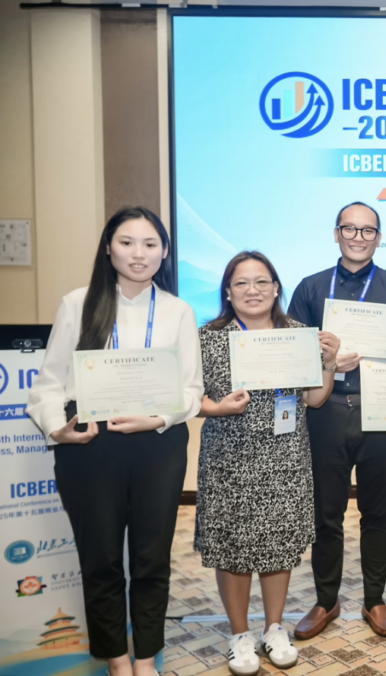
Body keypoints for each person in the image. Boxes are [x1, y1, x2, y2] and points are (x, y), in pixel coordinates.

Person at [27, 206, 203, 676]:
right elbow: (48, 385)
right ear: (109, 248)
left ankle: (145, 658)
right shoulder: (77, 303)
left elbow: (191, 390)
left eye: (150, 244)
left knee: (151, 559)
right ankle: (117, 659)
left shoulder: (178, 310)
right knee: (101, 559)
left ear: (164, 252)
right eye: (127, 242)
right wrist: (57, 428)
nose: (138, 253)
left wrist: (157, 418)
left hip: (157, 445)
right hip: (90, 446)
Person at [195, 251, 340, 675]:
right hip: (229, 458)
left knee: (279, 542)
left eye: (262, 281)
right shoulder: (208, 338)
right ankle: (240, 634)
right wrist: (218, 407)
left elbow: (314, 399)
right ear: (228, 292)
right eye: (241, 283)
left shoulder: (298, 335)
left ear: (277, 288)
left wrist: (329, 363)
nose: (252, 290)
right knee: (232, 546)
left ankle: (274, 628)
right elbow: (189, 399)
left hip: (285, 456)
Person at [288, 203, 386, 640]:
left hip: (380, 411)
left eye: (367, 231)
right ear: (336, 233)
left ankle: (374, 599)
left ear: (379, 238)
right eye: (350, 229)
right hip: (325, 412)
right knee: (327, 514)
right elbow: (294, 354)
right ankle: (326, 600)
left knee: (378, 512)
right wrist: (326, 361)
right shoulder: (310, 287)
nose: (358, 237)